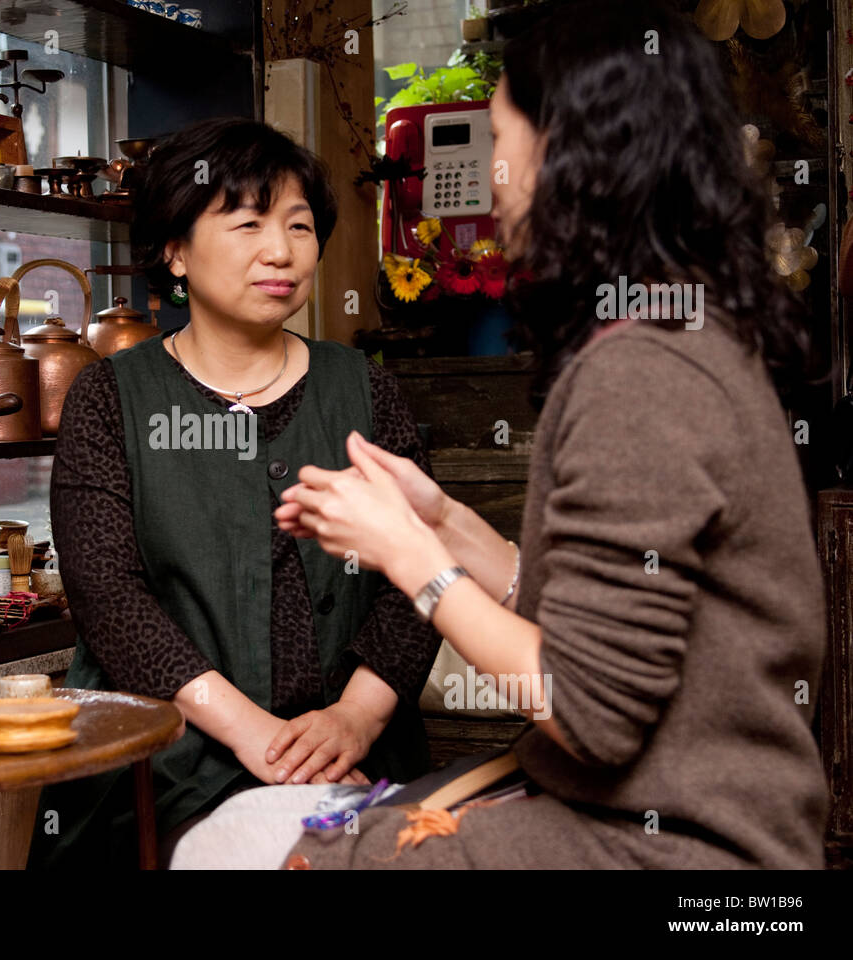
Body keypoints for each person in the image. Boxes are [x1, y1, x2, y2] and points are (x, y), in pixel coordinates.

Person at [169, 0, 829, 869]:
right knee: (252, 831)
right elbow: (607, 622)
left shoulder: (641, 374)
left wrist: (410, 556)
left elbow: (588, 709)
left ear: (573, 157)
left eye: (501, 140)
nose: (492, 175)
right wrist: (445, 522)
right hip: (675, 805)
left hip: (685, 841)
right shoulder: (676, 331)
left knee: (291, 851)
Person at [28, 117, 443, 869]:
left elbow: (421, 575)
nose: (281, 251)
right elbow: (110, 600)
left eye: (298, 226)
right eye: (248, 223)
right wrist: (262, 741)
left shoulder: (364, 391)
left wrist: (355, 716)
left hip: (360, 757)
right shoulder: (110, 399)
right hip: (172, 764)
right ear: (175, 250)